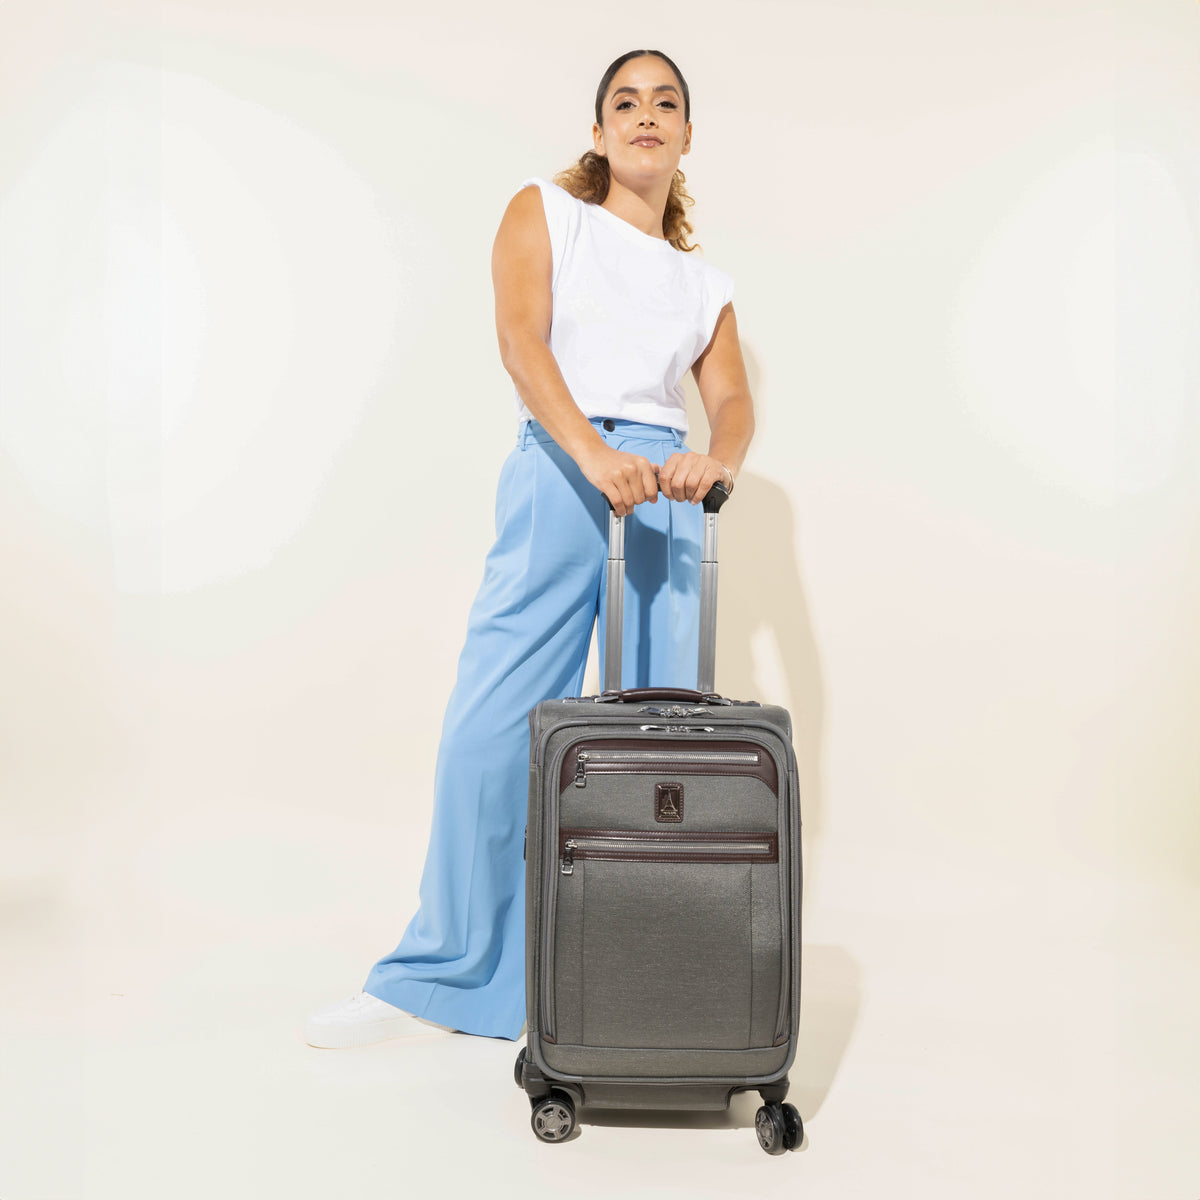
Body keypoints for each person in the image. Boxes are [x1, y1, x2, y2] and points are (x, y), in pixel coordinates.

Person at [305, 48, 755, 1047]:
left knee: (654, 753)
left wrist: (713, 460)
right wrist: (592, 453)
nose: (646, 114)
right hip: (566, 462)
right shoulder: (545, 215)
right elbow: (522, 340)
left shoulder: (703, 283)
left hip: (667, 493)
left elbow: (728, 399)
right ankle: (442, 979)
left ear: (686, 137)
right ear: (598, 133)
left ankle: (632, 984)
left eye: (666, 103)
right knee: (494, 721)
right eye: (625, 102)